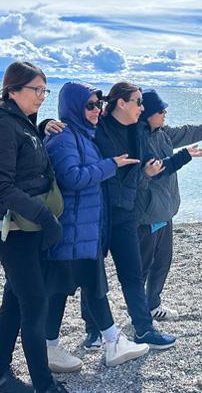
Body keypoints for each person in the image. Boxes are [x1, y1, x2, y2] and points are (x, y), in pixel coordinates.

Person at [0, 61, 68, 393]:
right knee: (35, 304)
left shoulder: (20, 121)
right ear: (12, 90)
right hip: (11, 230)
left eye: (45, 90)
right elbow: (0, 187)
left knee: (15, 300)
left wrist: (42, 127)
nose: (42, 96)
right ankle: (44, 386)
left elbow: (24, 159)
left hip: (26, 227)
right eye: (36, 90)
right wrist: (45, 217)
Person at [42, 82, 149, 373]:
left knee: (86, 285)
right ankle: (99, 343)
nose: (96, 110)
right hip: (72, 229)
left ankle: (105, 342)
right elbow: (71, 178)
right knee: (69, 289)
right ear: (74, 107)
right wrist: (110, 165)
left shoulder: (83, 134)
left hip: (84, 229)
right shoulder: (64, 137)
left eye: (98, 104)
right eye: (89, 105)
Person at [83, 81, 187, 349]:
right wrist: (45, 124)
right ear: (121, 103)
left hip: (126, 214)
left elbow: (154, 168)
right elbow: (68, 133)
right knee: (94, 276)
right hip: (97, 214)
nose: (142, 107)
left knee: (132, 275)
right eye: (138, 102)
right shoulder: (97, 128)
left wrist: (182, 157)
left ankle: (144, 329)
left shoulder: (138, 131)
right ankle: (93, 331)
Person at [136, 88, 202, 321]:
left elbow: (189, 131)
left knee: (163, 261)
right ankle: (138, 312)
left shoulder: (163, 133)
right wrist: (185, 156)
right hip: (147, 215)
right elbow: (156, 170)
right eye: (161, 110)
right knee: (142, 267)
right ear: (147, 114)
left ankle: (153, 305)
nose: (165, 113)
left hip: (166, 211)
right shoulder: (137, 139)